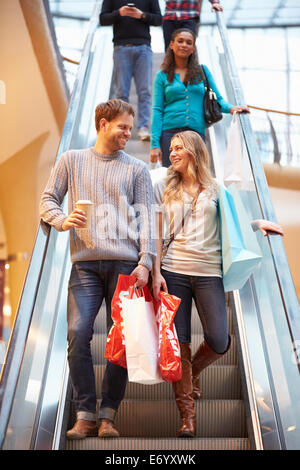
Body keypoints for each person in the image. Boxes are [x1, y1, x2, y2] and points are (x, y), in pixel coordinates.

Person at [152, 130, 284, 438]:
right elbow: (155, 233)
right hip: (173, 273)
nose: (172, 153)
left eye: (178, 148)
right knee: (180, 343)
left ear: (195, 151)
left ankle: (194, 373)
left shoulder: (215, 189)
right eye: (170, 148)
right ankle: (188, 418)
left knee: (220, 339)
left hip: (209, 272)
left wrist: (256, 224)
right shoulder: (163, 188)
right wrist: (156, 270)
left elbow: (233, 223)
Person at [40, 99, 155, 439]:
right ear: (102, 124)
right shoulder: (71, 160)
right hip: (85, 266)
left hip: (125, 265)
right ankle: (84, 413)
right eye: (122, 127)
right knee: (78, 334)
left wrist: (146, 263)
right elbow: (48, 199)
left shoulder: (136, 169)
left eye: (130, 129)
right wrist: (62, 221)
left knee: (121, 340)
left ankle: (108, 416)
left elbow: (149, 218)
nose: (128, 133)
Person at [150, 28, 249, 167]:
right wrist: (154, 144)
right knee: (173, 177)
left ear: (193, 48)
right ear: (171, 44)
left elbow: (217, 99)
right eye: (180, 41)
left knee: (195, 176)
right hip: (169, 134)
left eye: (189, 42)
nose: (184, 45)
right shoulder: (162, 75)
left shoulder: (203, 71)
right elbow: (157, 109)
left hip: (196, 134)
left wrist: (231, 108)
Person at [100, 0, 162, 142]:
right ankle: (121, 127)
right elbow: (102, 19)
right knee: (121, 92)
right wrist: (119, 13)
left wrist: (142, 15)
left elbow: (159, 19)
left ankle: (143, 127)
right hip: (121, 47)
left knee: (145, 91)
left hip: (144, 47)